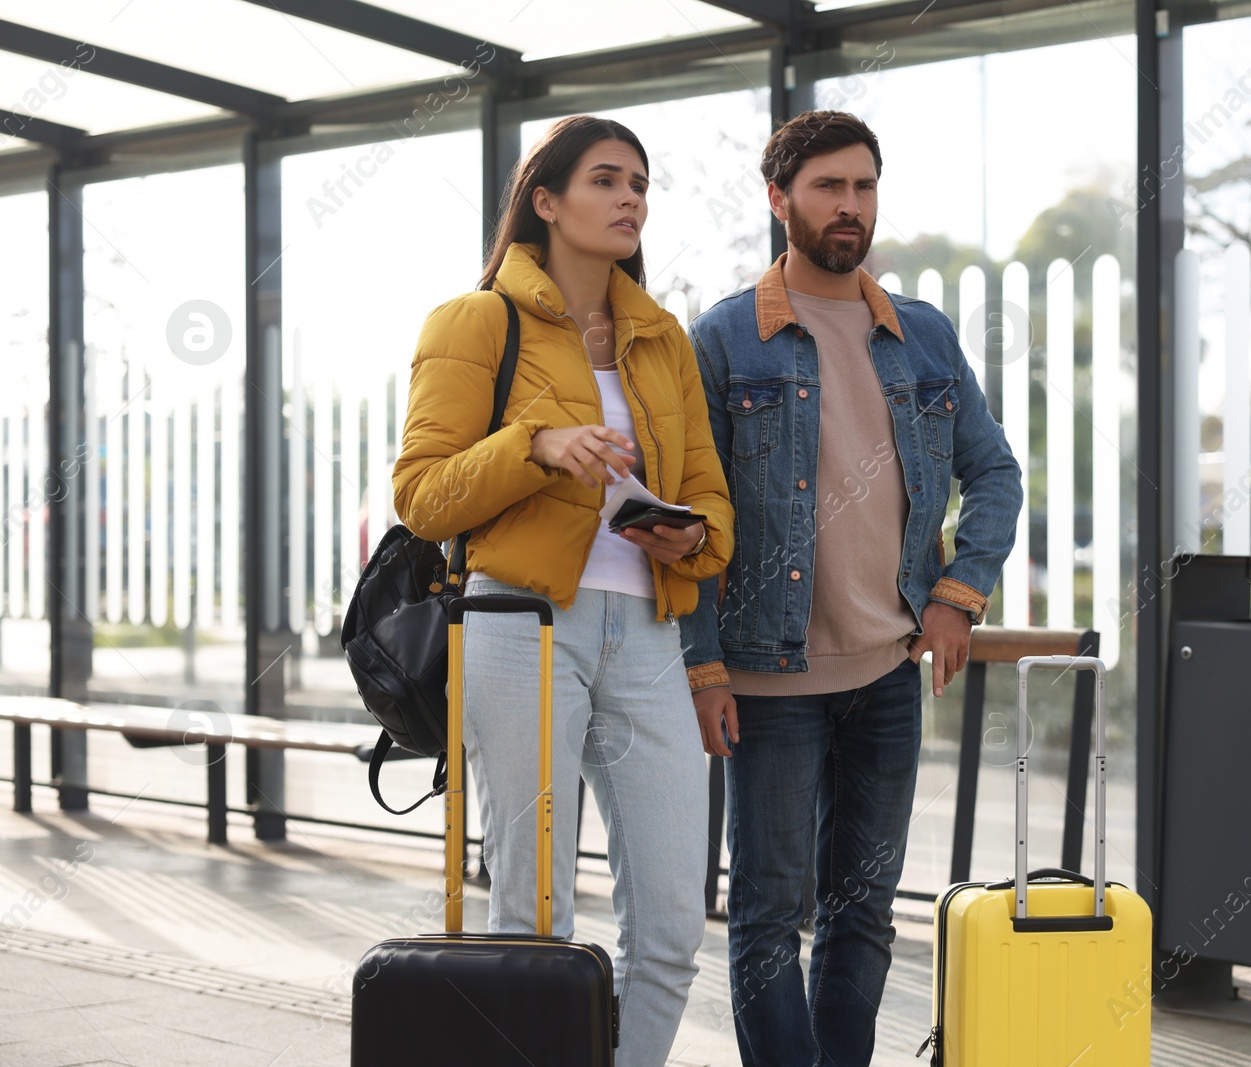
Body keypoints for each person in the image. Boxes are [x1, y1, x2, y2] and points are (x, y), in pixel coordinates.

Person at [680, 110, 1023, 1066]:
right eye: (829, 187)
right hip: (768, 680)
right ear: (780, 199)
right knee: (765, 914)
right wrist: (702, 663)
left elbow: (994, 471)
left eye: (864, 187)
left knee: (864, 911)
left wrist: (958, 595)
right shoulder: (725, 340)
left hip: (884, 678)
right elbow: (699, 524)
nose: (850, 206)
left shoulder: (918, 334)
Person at [392, 114, 733, 1067]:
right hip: (521, 625)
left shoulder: (662, 338)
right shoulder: (475, 320)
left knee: (671, 920)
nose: (632, 198)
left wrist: (692, 533)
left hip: (650, 632)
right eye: (606, 180)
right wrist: (537, 447)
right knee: (532, 912)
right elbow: (421, 493)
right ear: (546, 202)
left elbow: (713, 497)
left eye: (640, 183)